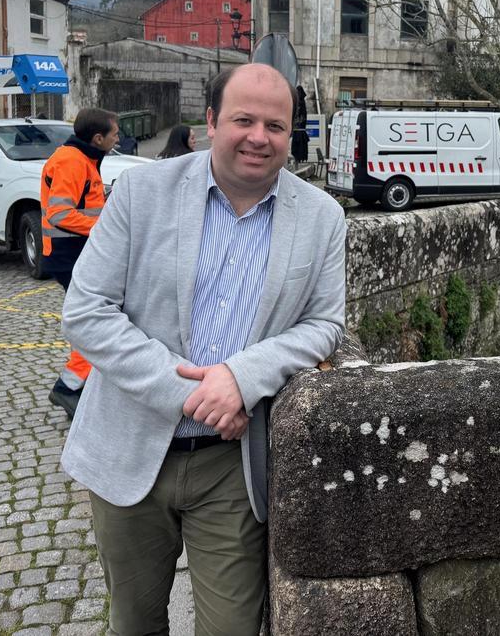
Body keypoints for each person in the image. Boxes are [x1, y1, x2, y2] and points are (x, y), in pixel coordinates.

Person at [60, 64, 346, 634]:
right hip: (129, 448)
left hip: (232, 467)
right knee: (133, 623)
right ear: (211, 122)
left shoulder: (322, 216)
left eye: (276, 125)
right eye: (243, 119)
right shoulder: (142, 193)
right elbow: (86, 312)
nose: (259, 137)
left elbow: (324, 325)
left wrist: (241, 378)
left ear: (292, 135)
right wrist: (197, 393)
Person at [42, 108, 120, 419]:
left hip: (74, 253)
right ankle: (68, 387)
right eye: (114, 133)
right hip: (67, 255)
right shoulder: (72, 161)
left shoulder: (82, 159)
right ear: (98, 138)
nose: (119, 138)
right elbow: (60, 214)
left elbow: (83, 206)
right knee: (94, 322)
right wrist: (104, 226)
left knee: (96, 319)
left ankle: (80, 384)